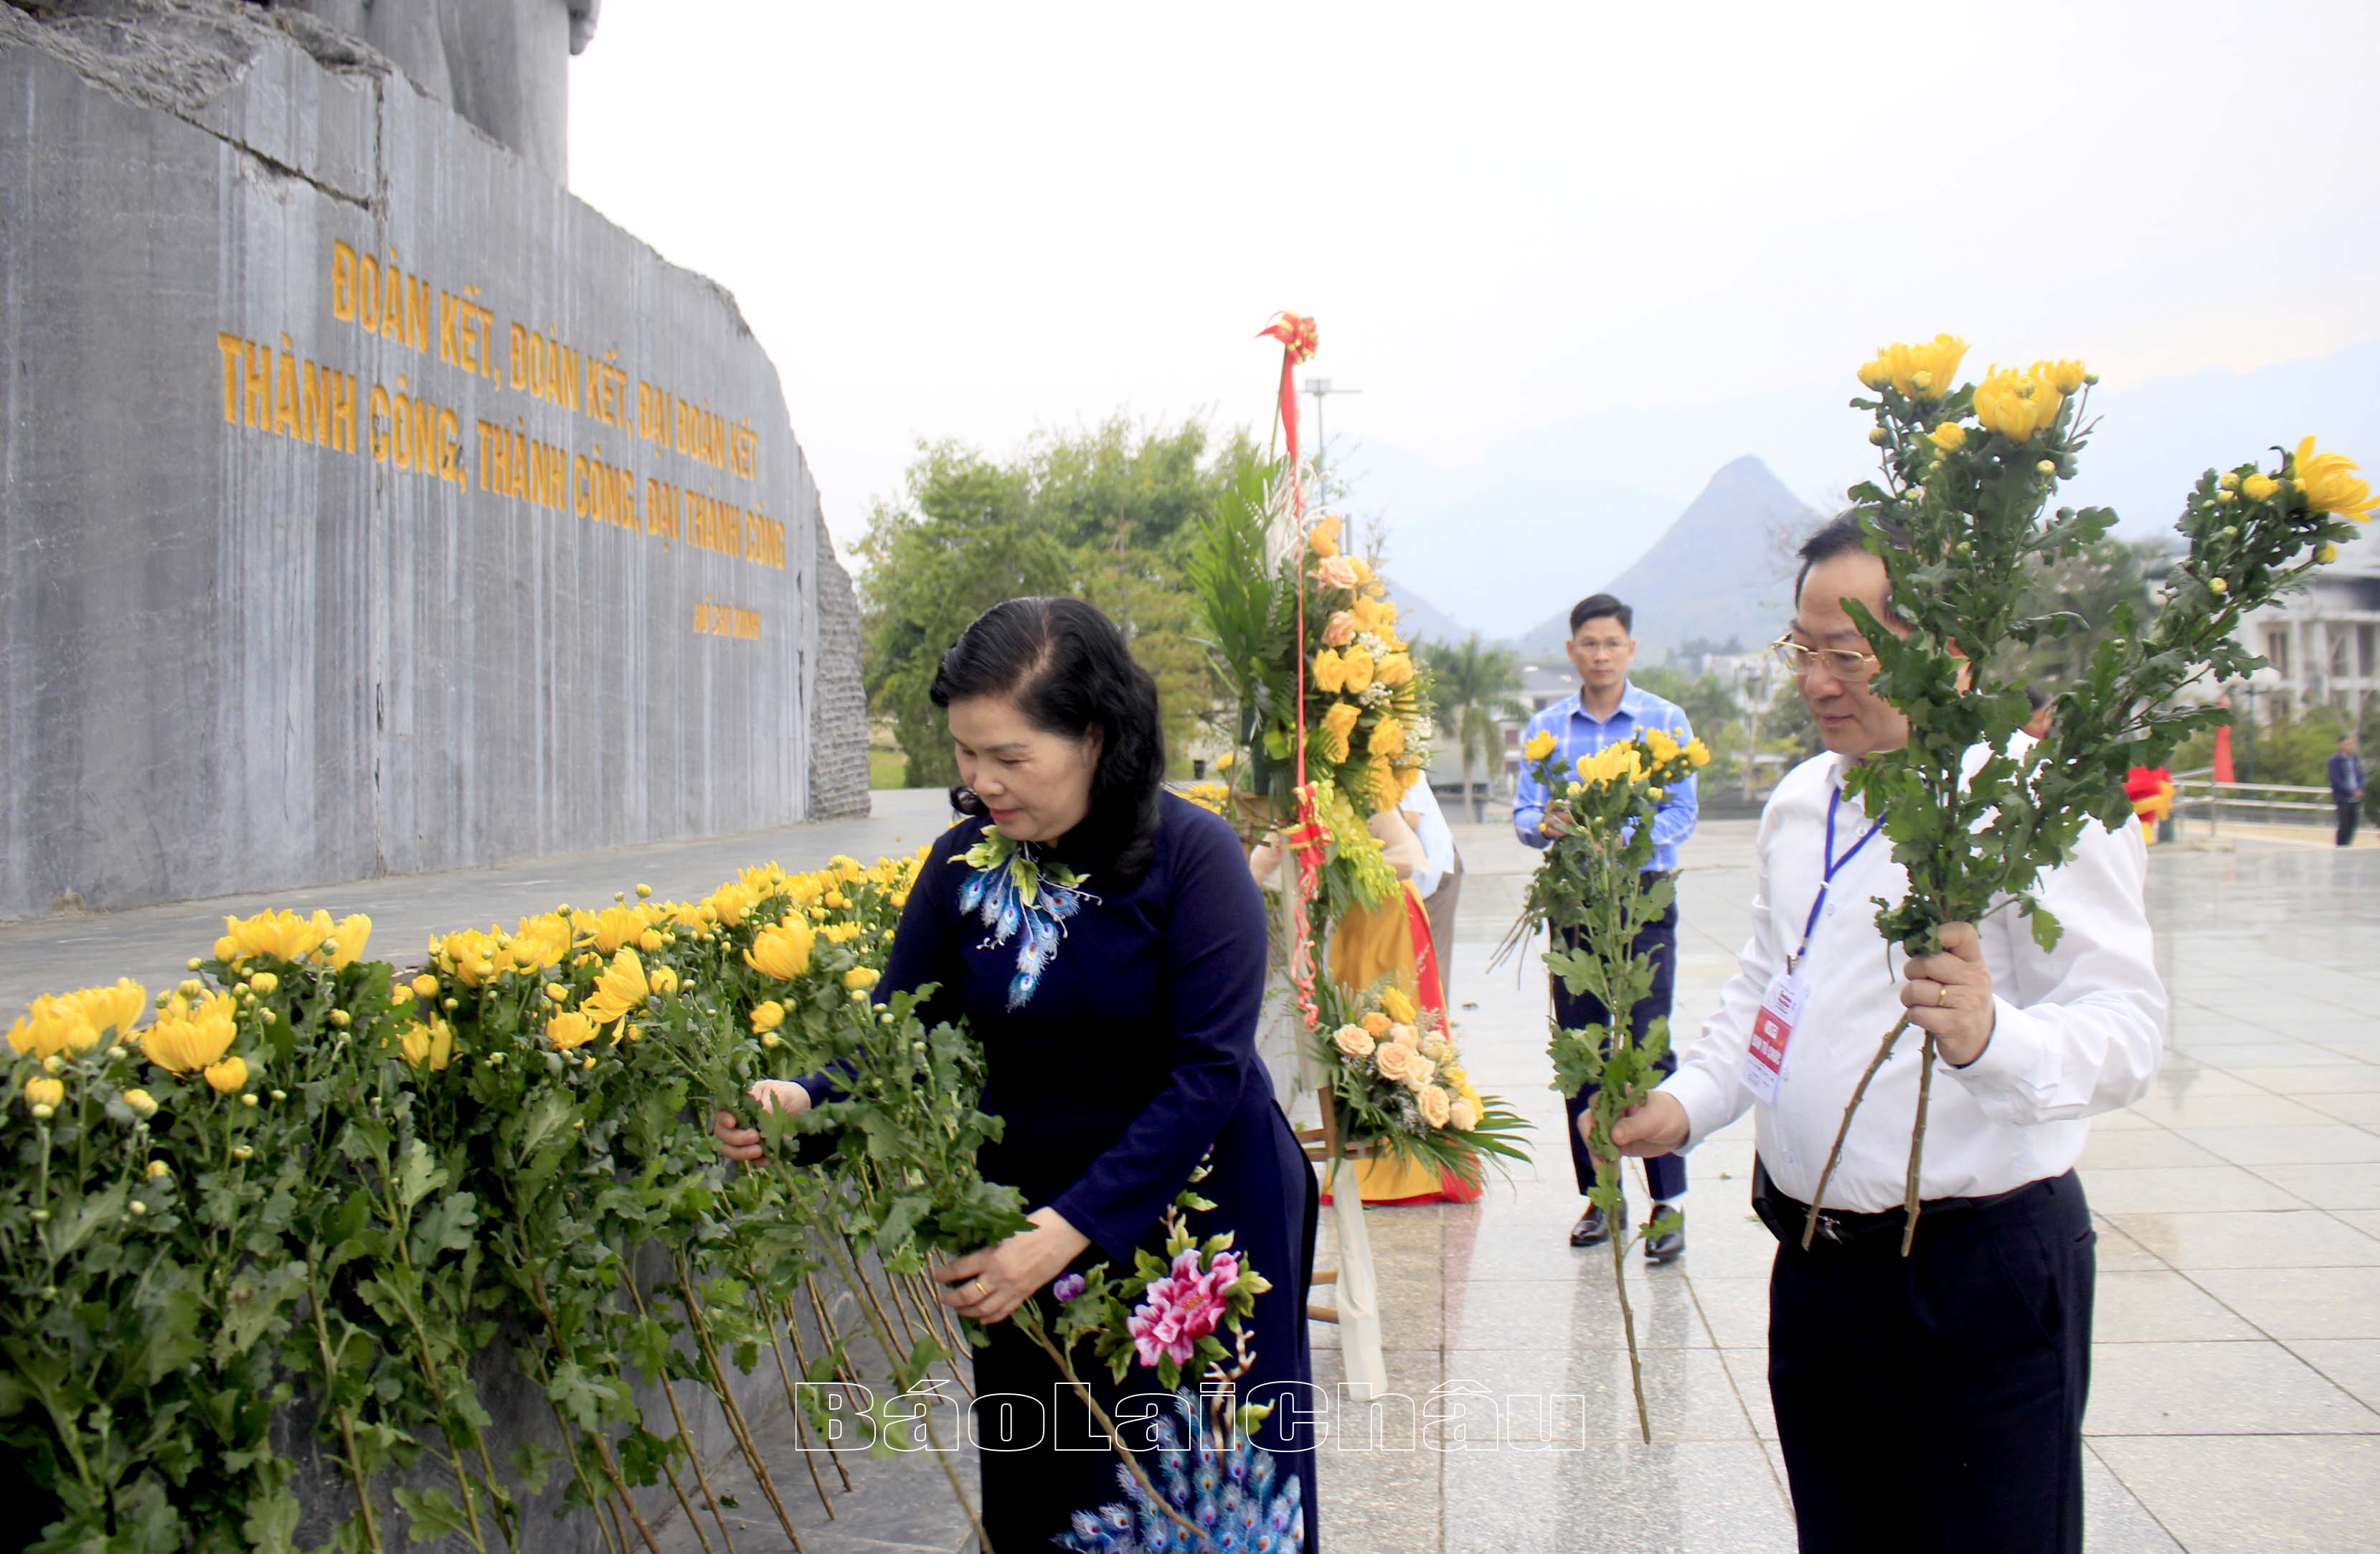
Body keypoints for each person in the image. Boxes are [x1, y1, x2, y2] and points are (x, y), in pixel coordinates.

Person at [712, 598, 1319, 1551]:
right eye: (964, 754)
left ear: (1095, 736)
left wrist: (1064, 1234)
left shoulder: (1191, 858)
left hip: (1191, 1221)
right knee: (1049, 1488)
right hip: (1020, 1224)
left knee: (1200, 1484)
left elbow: (1207, 1072)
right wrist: (802, 1103)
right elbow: (894, 1034)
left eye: (1008, 756)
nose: (980, 781)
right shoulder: (965, 864)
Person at [1612, 514, 2166, 1554]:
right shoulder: (1797, 804)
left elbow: (2127, 1028)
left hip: (1979, 1270)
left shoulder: (2034, 805)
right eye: (1804, 650)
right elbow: (1766, 999)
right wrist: (1684, 1103)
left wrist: (1991, 1035)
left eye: (1849, 655)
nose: (1819, 681)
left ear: (1944, 649)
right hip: (1821, 1265)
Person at [1512, 593, 1697, 1260]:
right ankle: (1600, 1197)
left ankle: (1668, 1202)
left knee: (1648, 1042)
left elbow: (1680, 814)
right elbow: (1525, 815)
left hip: (1642, 898)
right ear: (1572, 651)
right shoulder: (1548, 729)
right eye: (1588, 644)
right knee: (1583, 1049)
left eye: (1612, 643)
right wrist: (1549, 826)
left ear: (1630, 649)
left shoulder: (1662, 721)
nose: (1600, 655)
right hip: (1575, 904)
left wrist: (1622, 837)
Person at [2331, 733, 2365, 847]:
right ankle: (2340, 845)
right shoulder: (2335, 761)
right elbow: (2336, 780)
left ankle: (2347, 845)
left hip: (2356, 797)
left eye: (2352, 744)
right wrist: (2351, 791)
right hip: (2343, 798)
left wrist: (2359, 789)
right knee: (2344, 824)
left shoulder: (2354, 759)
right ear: (2341, 745)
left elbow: (2360, 775)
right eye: (2348, 744)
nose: (2351, 746)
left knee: (2353, 823)